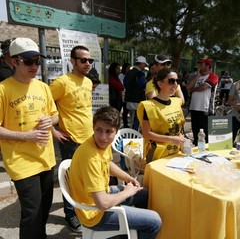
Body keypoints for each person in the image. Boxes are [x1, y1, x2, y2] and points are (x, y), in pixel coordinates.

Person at [69, 106, 162, 239]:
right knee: (155, 221)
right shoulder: (90, 157)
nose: (103, 137)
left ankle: (130, 230)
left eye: (108, 131)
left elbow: (108, 162)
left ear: (116, 131)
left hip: (100, 195)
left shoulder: (99, 144)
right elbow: (103, 204)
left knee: (145, 193)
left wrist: (127, 177)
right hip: (94, 215)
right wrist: (126, 192)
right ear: (93, 127)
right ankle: (133, 228)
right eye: (98, 130)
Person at [0, 37, 59, 239]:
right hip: (21, 161)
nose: (34, 66)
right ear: (14, 61)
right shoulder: (3, 89)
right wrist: (27, 136)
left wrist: (49, 121)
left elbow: (55, 114)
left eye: (37, 61)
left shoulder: (43, 87)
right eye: (28, 61)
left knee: (43, 210)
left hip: (46, 158)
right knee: (32, 213)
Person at [49, 45, 94, 232]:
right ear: (72, 61)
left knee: (86, 177)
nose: (88, 64)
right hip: (70, 139)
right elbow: (44, 106)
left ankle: (84, 210)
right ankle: (70, 214)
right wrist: (54, 131)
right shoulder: (61, 82)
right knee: (71, 179)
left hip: (89, 137)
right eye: (83, 60)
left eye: (90, 60)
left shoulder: (88, 82)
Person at [137, 68, 185, 162]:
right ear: (160, 84)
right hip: (157, 153)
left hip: (176, 151)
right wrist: (170, 139)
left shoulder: (177, 102)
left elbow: (178, 128)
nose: (175, 85)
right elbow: (146, 134)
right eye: (171, 81)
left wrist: (181, 138)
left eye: (177, 81)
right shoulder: (149, 106)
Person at [186, 58, 219, 146]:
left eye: (202, 64)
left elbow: (203, 87)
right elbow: (188, 87)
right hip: (194, 108)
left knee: (205, 134)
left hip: (205, 109)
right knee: (196, 132)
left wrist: (193, 90)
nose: (199, 66)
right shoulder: (197, 76)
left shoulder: (213, 76)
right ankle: (197, 148)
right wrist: (197, 76)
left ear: (208, 66)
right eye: (199, 64)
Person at [124, 56, 148, 130]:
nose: (145, 66)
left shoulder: (128, 73)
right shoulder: (140, 74)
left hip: (129, 98)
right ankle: (134, 135)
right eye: (144, 64)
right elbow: (144, 86)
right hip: (137, 99)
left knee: (131, 119)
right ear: (141, 64)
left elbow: (125, 83)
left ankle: (131, 132)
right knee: (136, 120)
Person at [227, 80, 240, 145]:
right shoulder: (235, 84)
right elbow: (229, 101)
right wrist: (236, 105)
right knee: (229, 141)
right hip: (236, 116)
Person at [119, 62, 131, 128]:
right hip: (122, 94)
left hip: (127, 94)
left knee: (126, 111)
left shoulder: (128, 75)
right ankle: (124, 123)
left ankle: (125, 123)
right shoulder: (121, 75)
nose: (129, 69)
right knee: (123, 110)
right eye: (128, 68)